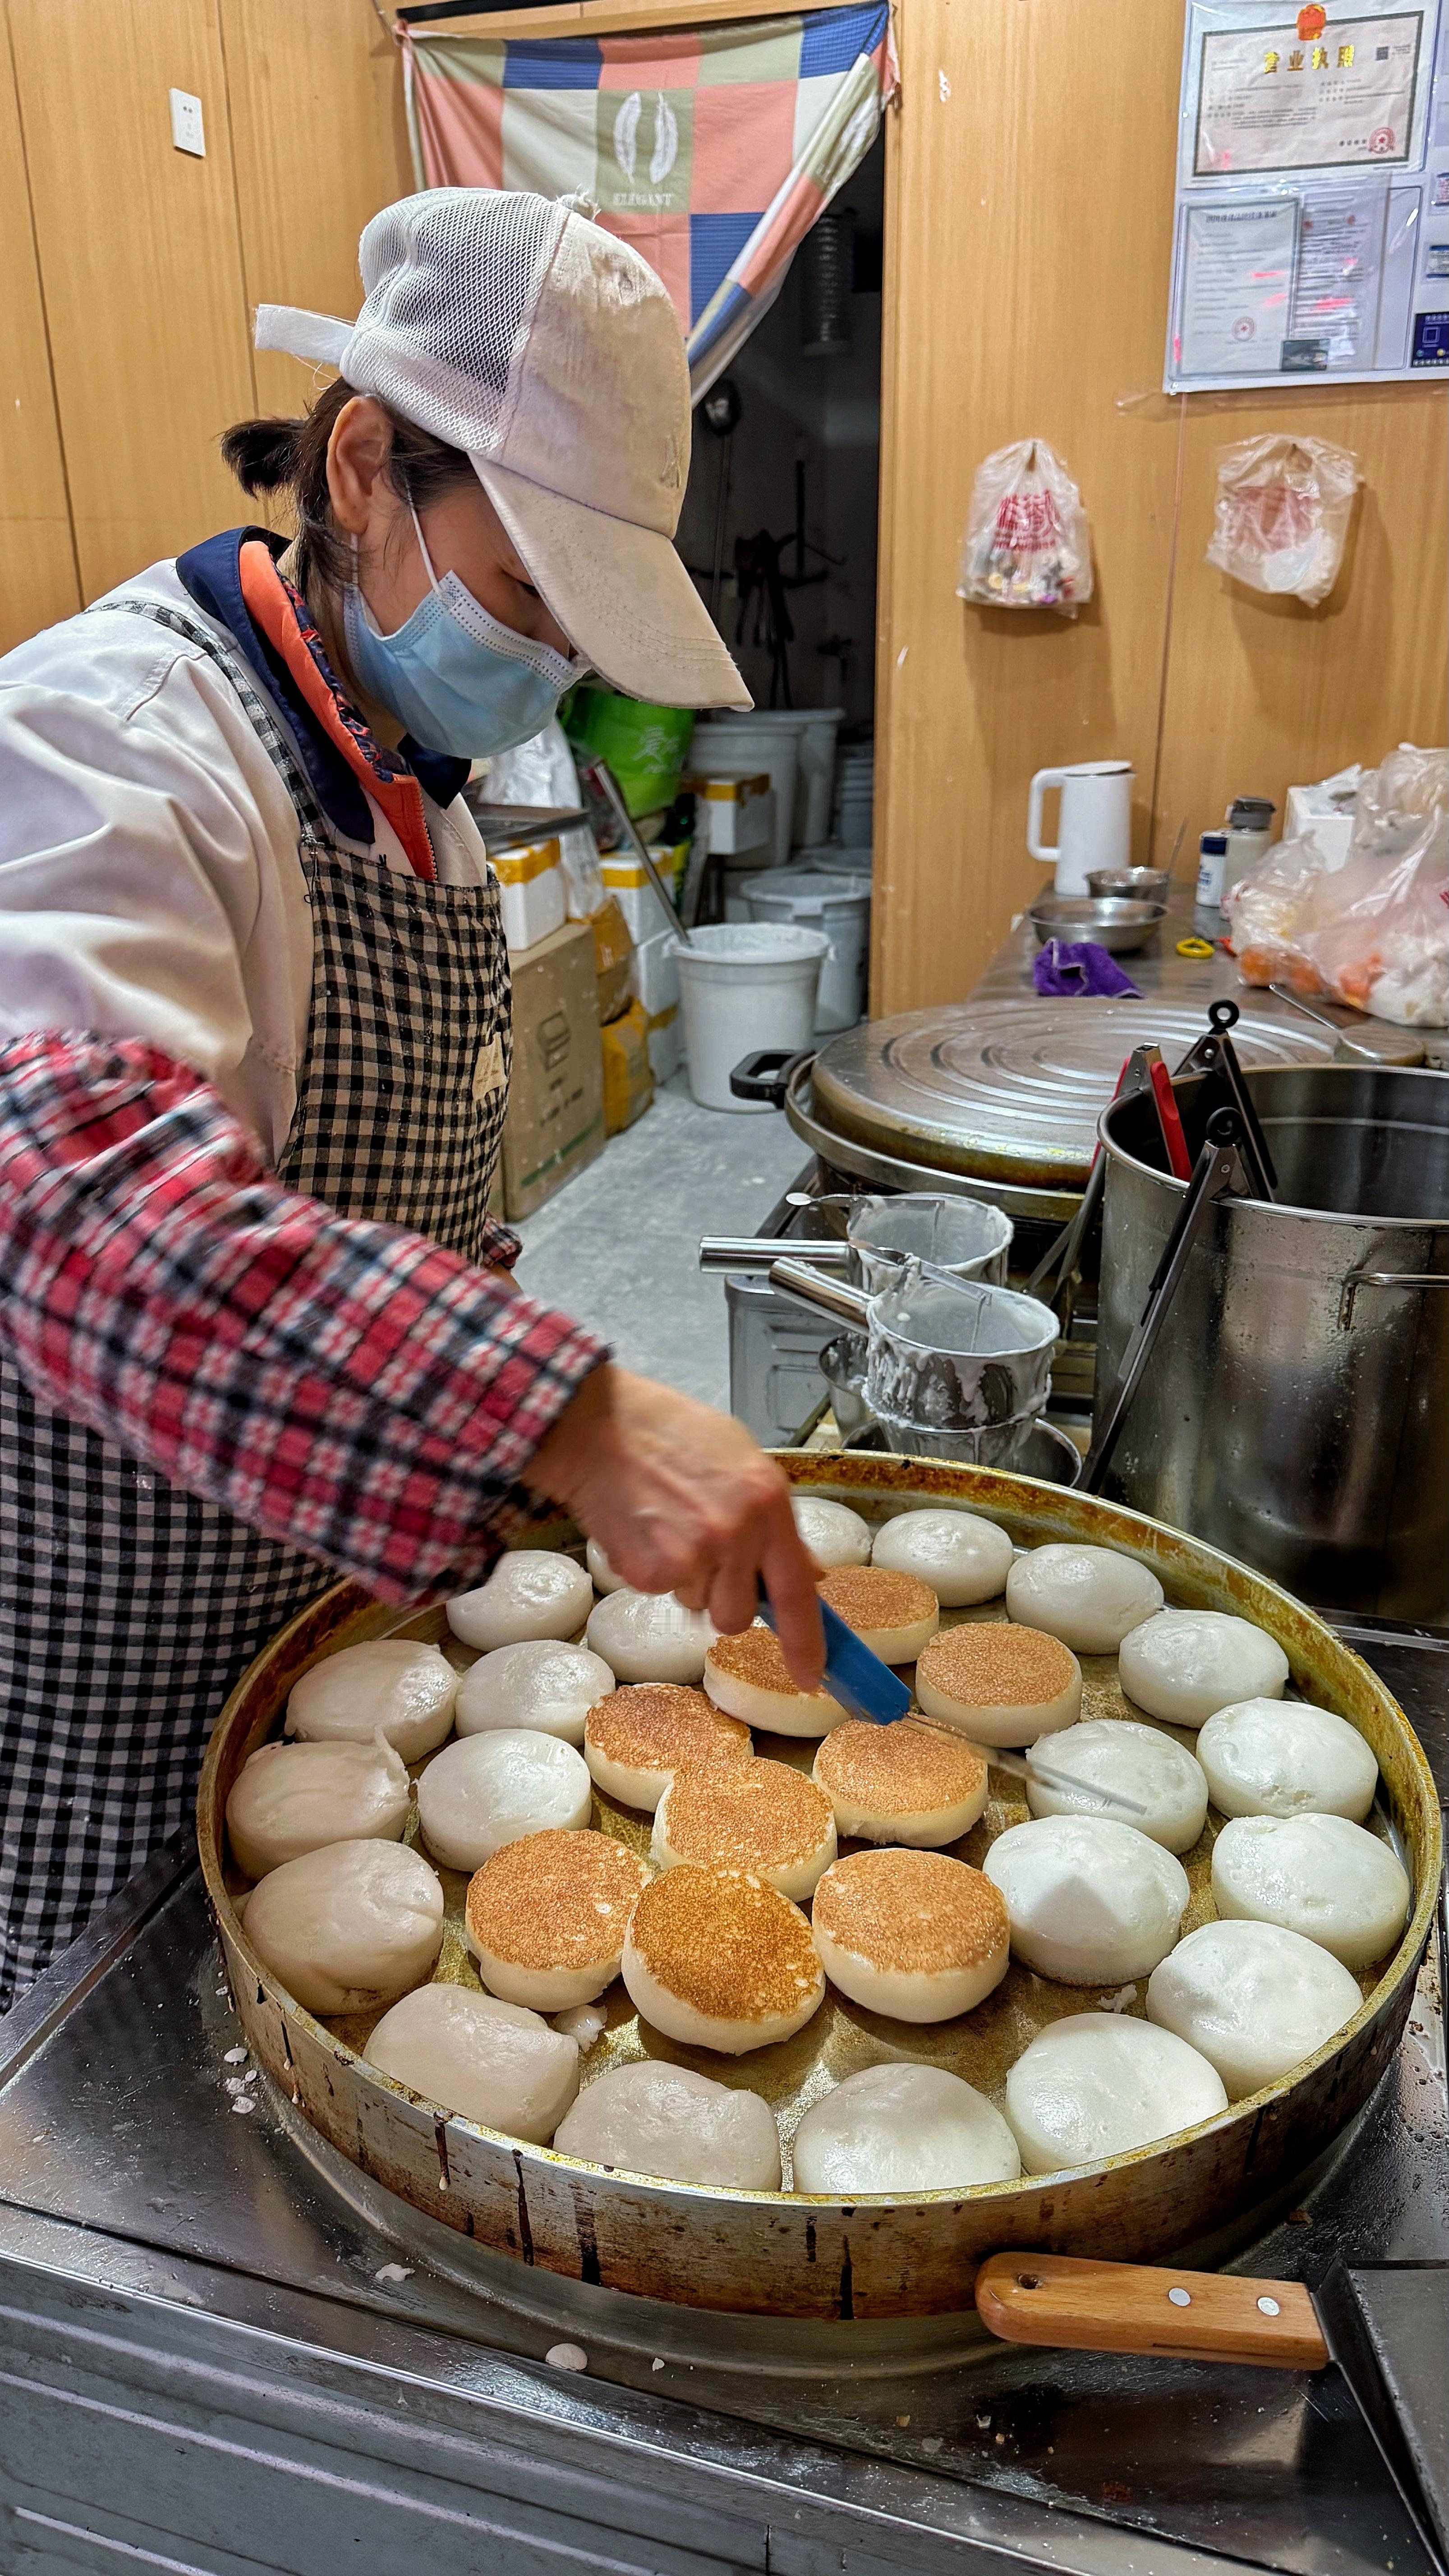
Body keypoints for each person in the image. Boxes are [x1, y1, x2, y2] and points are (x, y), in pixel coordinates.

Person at [0, 188, 823, 2009]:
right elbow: (68, 1203)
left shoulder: (411, 786)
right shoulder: (111, 744)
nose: (549, 672)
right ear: (364, 466)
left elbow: (400, 1208)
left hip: (318, 1594)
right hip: (99, 1658)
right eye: (530, 596)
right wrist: (566, 1416)